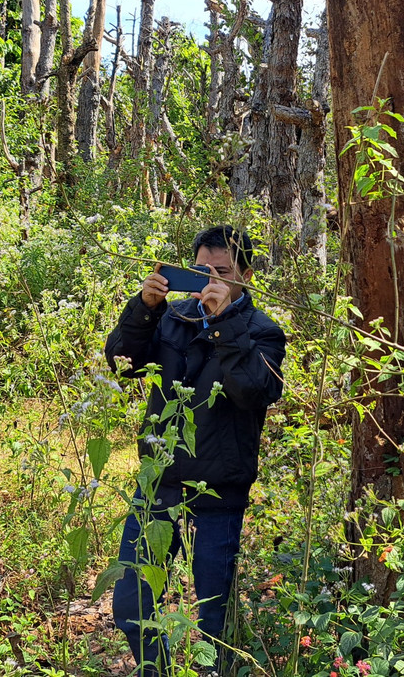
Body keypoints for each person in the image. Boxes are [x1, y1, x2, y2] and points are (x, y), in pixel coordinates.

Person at [105, 224, 286, 677]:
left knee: (213, 619)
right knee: (132, 604)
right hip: (160, 480)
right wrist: (146, 308)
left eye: (221, 272)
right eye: (201, 270)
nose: (210, 281)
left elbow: (253, 392)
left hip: (220, 488)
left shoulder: (263, 331)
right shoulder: (174, 316)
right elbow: (121, 362)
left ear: (245, 273)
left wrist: (224, 322)